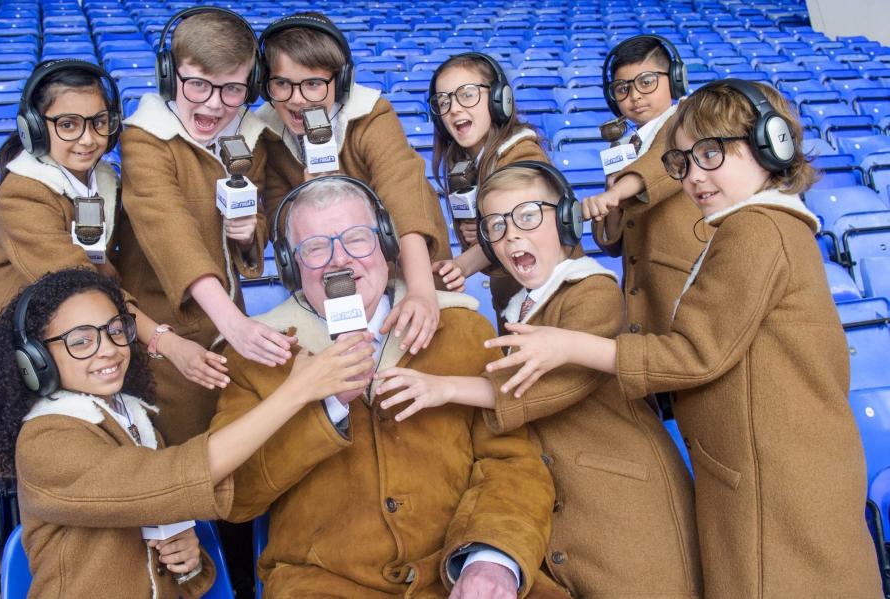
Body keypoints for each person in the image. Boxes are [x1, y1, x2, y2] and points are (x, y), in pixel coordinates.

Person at [483, 81, 884, 598]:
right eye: (683, 162)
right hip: (769, 467)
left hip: (775, 479)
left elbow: (695, 354)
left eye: (711, 153)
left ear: (771, 143)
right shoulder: (762, 227)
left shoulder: (756, 229)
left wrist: (570, 346)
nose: (694, 175)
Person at [210, 176, 561, 598]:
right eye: (316, 247)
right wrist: (328, 409)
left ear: (386, 247)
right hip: (322, 584)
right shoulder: (254, 358)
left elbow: (513, 463)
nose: (340, 261)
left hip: (456, 570)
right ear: (290, 264)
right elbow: (236, 497)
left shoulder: (464, 330)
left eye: (357, 239)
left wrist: (491, 559)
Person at [377, 162, 702, 598]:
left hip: (627, 505)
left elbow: (546, 387)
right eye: (496, 225)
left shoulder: (595, 292)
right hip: (567, 511)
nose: (512, 234)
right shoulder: (518, 306)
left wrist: (444, 387)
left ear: (566, 219)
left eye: (528, 216)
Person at [0, 267, 373, 599]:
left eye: (115, 329)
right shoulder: (45, 442)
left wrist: (190, 562)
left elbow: (165, 544)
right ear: (35, 361)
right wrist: (295, 391)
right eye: (80, 341)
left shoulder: (133, 421)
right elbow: (165, 481)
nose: (108, 349)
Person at [0, 59, 227, 393]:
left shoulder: (102, 178)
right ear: (35, 128)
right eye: (69, 125)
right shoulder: (22, 193)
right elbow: (78, 283)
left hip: (81, 322)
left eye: (99, 122)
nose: (88, 139)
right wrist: (166, 342)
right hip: (17, 336)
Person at [116, 8, 286, 444]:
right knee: (181, 460)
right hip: (166, 334)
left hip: (229, 325)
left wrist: (250, 233)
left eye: (232, 89)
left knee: (237, 447)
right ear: (169, 74)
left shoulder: (248, 136)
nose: (214, 103)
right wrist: (233, 323)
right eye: (198, 84)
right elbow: (170, 231)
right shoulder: (144, 139)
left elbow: (259, 219)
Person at [255, 12, 451, 357]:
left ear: (340, 82)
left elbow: (403, 200)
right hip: (327, 276)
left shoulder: (372, 115)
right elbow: (278, 219)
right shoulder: (265, 131)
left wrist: (420, 290)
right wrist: (304, 197)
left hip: (404, 263)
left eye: (313, 83)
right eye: (282, 84)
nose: (297, 99)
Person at [582, 35, 710, 339]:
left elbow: (663, 161)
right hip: (644, 295)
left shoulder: (690, 122)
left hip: (688, 286)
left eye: (647, 82)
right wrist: (607, 209)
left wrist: (614, 192)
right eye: (623, 88)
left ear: (675, 81)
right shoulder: (624, 147)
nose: (635, 96)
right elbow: (611, 242)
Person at [426, 53, 549, 331]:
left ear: (498, 99)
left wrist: (461, 265)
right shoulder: (466, 162)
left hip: (547, 305)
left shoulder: (522, 154)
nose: (454, 108)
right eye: (444, 102)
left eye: (467, 95)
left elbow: (520, 230)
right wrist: (474, 234)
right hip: (510, 297)